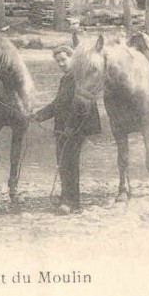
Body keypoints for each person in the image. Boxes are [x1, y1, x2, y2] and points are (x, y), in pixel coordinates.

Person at [31, 45, 101, 214]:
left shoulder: (79, 78)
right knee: (63, 162)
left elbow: (81, 107)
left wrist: (71, 127)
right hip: (63, 127)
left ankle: (71, 201)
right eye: (58, 61)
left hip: (76, 127)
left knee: (69, 162)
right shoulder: (65, 78)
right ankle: (67, 197)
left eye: (64, 59)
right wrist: (38, 115)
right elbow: (58, 104)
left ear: (72, 58)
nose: (61, 63)